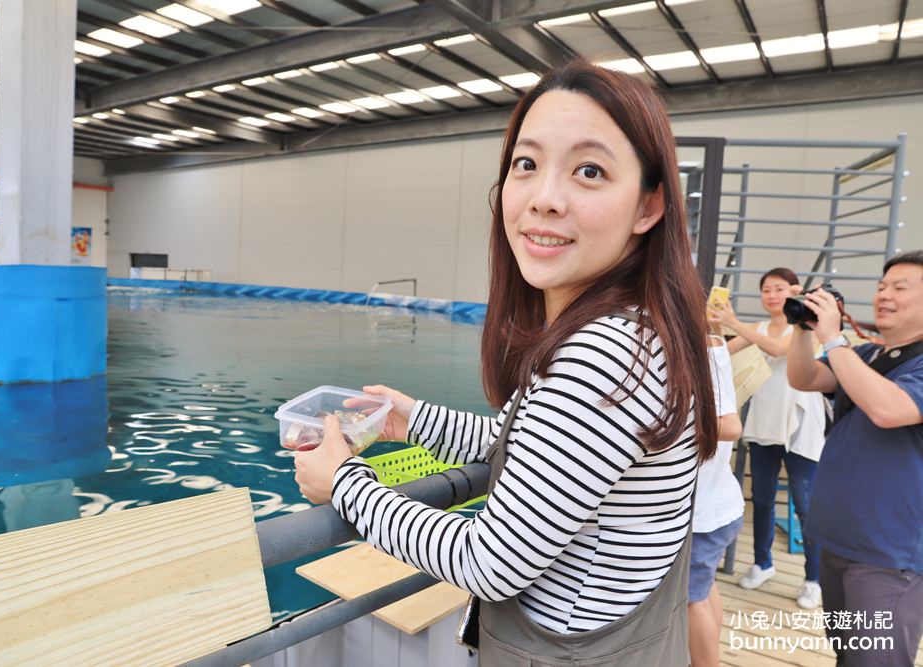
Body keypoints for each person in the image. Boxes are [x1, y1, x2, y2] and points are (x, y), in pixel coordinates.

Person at [294, 60, 717, 665]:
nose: (544, 199)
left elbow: (489, 563)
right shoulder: (641, 330)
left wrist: (344, 485)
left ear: (648, 207)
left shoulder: (605, 356)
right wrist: (412, 420)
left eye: (589, 171)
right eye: (527, 164)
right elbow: (536, 448)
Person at [787, 250, 923, 667]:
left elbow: (888, 409)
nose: (885, 294)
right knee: (850, 654)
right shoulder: (866, 356)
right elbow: (804, 377)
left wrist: (835, 338)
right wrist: (803, 327)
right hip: (838, 540)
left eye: (901, 288)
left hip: (889, 554)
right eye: (882, 286)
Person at [709, 267, 827, 609]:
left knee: (807, 507)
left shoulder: (806, 325)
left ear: (795, 290)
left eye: (778, 289)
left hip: (800, 427)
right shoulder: (758, 328)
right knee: (760, 500)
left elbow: (777, 349)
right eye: (766, 290)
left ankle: (813, 579)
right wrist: (718, 326)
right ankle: (763, 563)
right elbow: (722, 351)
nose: (771, 296)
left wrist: (735, 322)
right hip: (764, 424)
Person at [688, 331, 745, 667]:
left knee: (692, 600)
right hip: (718, 505)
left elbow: (730, 426)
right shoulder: (710, 345)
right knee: (704, 590)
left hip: (705, 513)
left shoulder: (705, 349)